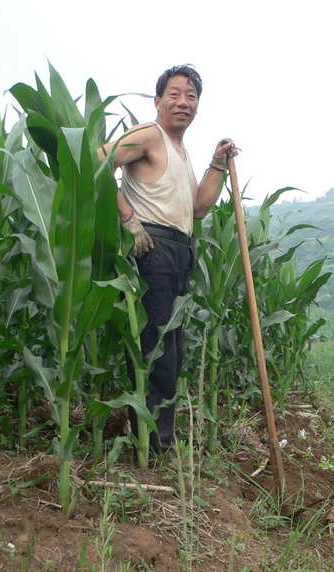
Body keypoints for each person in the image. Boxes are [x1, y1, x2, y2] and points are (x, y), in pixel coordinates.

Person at [98, 64, 237, 454]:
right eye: (174, 94)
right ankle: (155, 443)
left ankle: (156, 437)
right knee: (155, 347)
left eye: (191, 96)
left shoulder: (179, 150)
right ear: (158, 101)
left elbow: (199, 208)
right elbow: (95, 161)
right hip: (152, 248)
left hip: (179, 251)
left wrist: (217, 164)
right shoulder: (147, 136)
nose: (183, 102)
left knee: (170, 348)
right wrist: (127, 216)